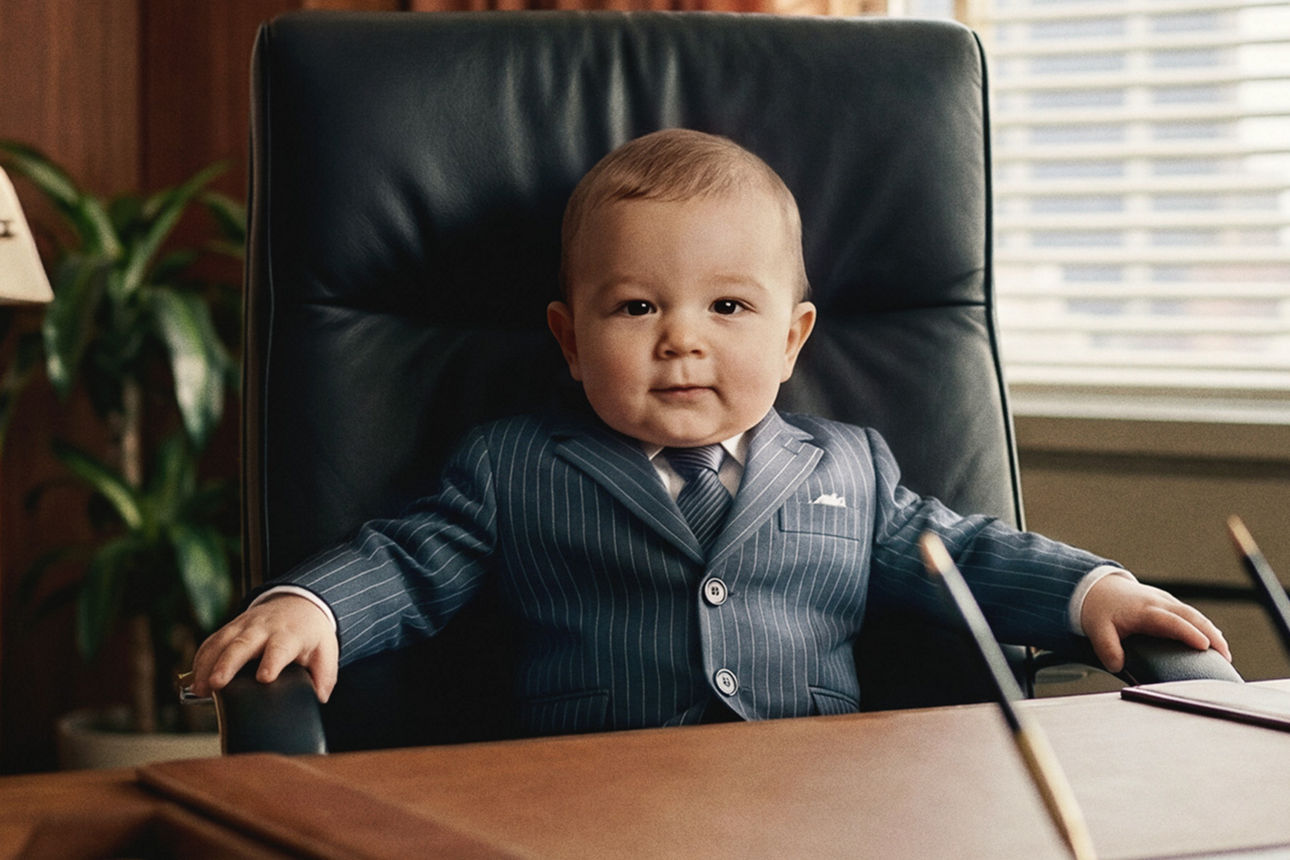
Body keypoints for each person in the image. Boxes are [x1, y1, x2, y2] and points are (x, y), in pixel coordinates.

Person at [190, 129, 1229, 732]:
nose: (680, 340)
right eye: (637, 307)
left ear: (792, 337)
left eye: (727, 309)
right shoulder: (513, 465)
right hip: (594, 809)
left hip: (817, 806)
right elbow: (409, 562)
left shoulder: (851, 469)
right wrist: (312, 603)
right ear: (568, 335)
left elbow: (962, 549)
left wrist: (1095, 586)